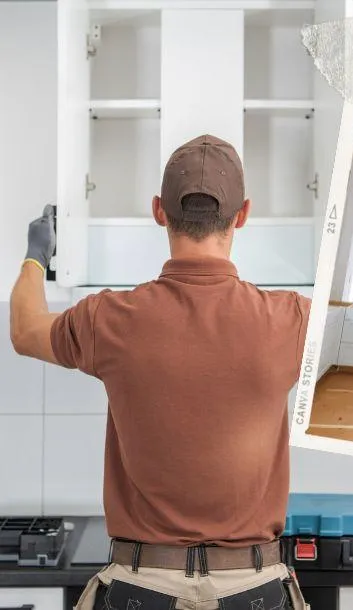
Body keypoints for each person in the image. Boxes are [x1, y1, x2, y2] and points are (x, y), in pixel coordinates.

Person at [9, 134, 312, 610]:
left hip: (140, 588)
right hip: (252, 589)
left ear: (158, 210)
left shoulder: (110, 319)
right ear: (244, 214)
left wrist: (36, 253)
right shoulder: (292, 321)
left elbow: (24, 331)